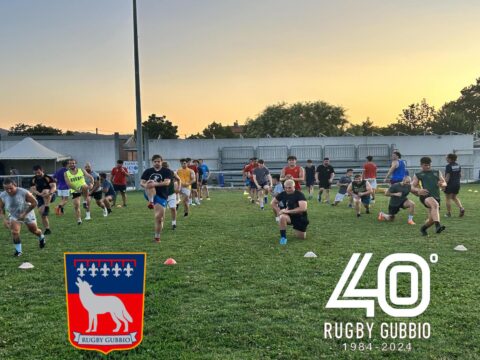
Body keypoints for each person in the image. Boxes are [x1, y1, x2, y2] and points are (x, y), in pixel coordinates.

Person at [0, 178, 46, 256]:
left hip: (28, 214)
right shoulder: (3, 195)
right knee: (15, 232)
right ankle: (18, 251)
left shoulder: (24, 192)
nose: (9, 190)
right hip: (14, 215)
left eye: (11, 188)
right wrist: (4, 219)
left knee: (34, 231)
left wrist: (24, 214)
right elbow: (1, 208)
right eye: (6, 189)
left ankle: (41, 237)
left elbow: (35, 203)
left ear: (15, 186)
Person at [141, 154, 173, 242]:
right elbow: (142, 182)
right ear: (152, 162)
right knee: (150, 184)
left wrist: (155, 183)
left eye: (158, 161)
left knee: (159, 218)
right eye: (155, 162)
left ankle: (157, 237)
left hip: (162, 195)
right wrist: (146, 185)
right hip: (149, 193)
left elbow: (167, 183)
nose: (157, 163)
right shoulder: (148, 171)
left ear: (161, 162)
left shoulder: (167, 171)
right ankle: (151, 202)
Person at [411, 157, 447, 236]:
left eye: (429, 165)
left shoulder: (437, 172)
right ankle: (438, 226)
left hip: (436, 196)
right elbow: (412, 187)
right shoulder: (418, 174)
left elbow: (444, 183)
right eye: (425, 165)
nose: (427, 167)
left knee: (432, 218)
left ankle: (423, 229)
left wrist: (442, 184)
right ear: (421, 165)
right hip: (425, 195)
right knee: (435, 205)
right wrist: (418, 190)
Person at [271, 179, 309, 245]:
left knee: (301, 238)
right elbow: (273, 203)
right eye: (285, 188)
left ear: (294, 186)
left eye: (289, 187)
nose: (287, 189)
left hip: (300, 218)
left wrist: (287, 211)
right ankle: (283, 238)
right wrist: (279, 212)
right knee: (282, 217)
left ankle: (297, 228)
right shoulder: (282, 194)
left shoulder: (299, 194)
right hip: (288, 216)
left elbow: (303, 208)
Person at [64, 159, 94, 225]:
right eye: (70, 163)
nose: (72, 164)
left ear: (75, 164)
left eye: (73, 163)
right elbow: (68, 183)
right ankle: (79, 219)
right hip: (75, 190)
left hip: (83, 188)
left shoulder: (81, 170)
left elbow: (90, 177)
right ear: (68, 165)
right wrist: (76, 189)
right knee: (76, 205)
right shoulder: (66, 173)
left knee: (84, 186)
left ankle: (85, 201)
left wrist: (92, 183)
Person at [29, 165, 56, 235]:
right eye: (35, 173)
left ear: (42, 170)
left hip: (50, 196)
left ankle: (47, 207)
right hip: (40, 197)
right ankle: (47, 229)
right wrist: (38, 193)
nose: (37, 174)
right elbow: (32, 189)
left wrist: (50, 193)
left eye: (38, 172)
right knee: (42, 212)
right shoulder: (33, 179)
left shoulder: (48, 177)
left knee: (45, 190)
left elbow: (53, 187)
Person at [444, 153, 465, 217]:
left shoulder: (448, 166)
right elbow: (460, 175)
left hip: (450, 184)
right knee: (454, 197)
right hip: (457, 184)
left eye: (447, 157)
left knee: (448, 198)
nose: (446, 158)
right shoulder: (458, 165)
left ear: (450, 159)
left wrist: (444, 185)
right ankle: (461, 208)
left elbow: (447, 177)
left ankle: (448, 213)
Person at [162, 161, 181, 230]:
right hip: (162, 194)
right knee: (162, 211)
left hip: (171, 193)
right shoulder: (159, 173)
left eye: (166, 167)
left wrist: (178, 188)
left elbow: (179, 180)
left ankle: (174, 223)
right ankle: (161, 224)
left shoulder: (172, 172)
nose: (165, 168)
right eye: (164, 167)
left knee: (173, 208)